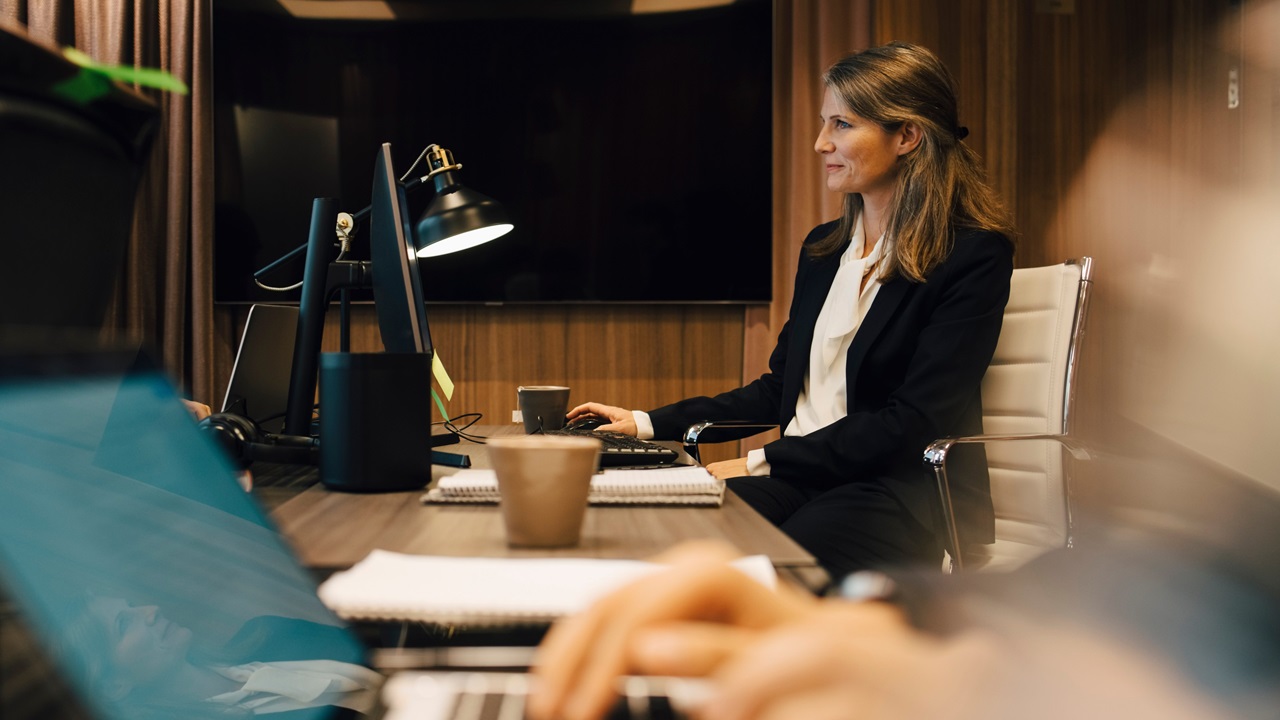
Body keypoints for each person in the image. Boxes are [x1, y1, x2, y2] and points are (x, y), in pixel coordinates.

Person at [569, 42, 1015, 578]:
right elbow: (779, 386)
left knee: (772, 568)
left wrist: (761, 459)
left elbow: (912, 422)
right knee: (676, 543)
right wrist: (642, 423)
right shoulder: (825, 248)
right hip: (800, 479)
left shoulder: (971, 254)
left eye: (842, 124)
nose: (820, 142)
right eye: (825, 123)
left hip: (893, 492)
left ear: (907, 136)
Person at [56, 594, 381, 718]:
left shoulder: (269, 633)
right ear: (113, 685)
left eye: (131, 604)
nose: (151, 610)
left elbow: (392, 651)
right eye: (124, 624)